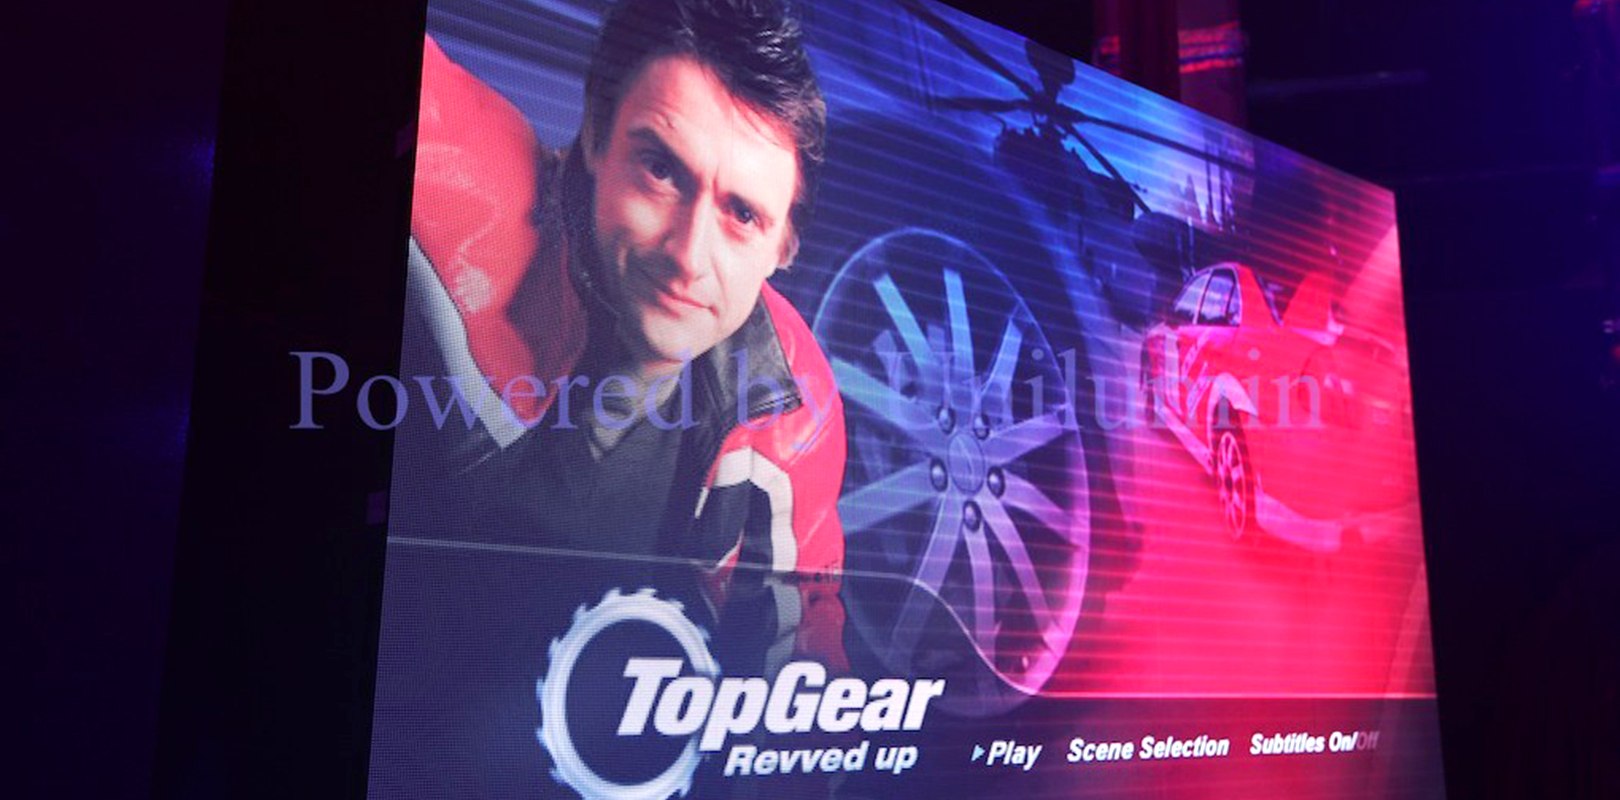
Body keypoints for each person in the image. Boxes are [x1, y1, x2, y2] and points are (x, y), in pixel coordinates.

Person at [393, 0, 846, 670]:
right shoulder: (461, 189)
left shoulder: (791, 414)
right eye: (661, 170)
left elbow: (799, 684)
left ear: (784, 247)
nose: (689, 256)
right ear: (596, 136)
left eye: (742, 214)